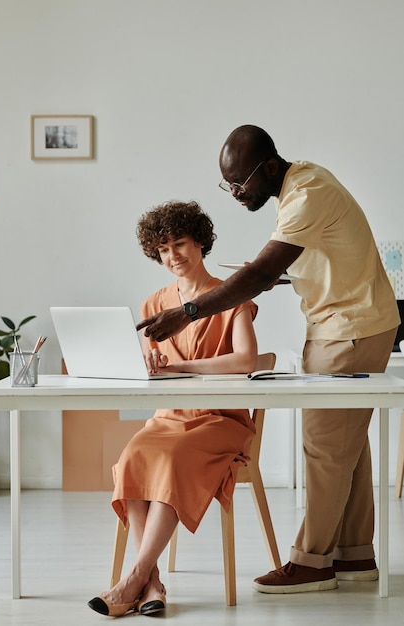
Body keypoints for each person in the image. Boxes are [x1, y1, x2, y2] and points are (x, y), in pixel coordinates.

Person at [137, 125, 400, 594]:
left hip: (350, 327)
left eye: (241, 183)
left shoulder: (306, 195)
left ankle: (312, 562)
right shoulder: (301, 186)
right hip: (350, 322)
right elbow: (304, 262)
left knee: (325, 447)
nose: (237, 194)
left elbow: (262, 272)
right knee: (348, 447)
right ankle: (355, 555)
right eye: (229, 185)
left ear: (271, 168)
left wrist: (189, 312)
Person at [87, 200, 259, 616]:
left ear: (200, 242)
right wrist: (146, 365)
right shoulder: (152, 304)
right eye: (163, 249)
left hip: (220, 419)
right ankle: (152, 585)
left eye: (179, 244)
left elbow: (246, 361)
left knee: (170, 459)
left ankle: (132, 579)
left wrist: (178, 365)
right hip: (169, 417)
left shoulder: (229, 296)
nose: (172, 256)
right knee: (132, 458)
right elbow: (153, 367)